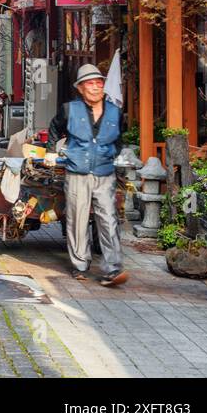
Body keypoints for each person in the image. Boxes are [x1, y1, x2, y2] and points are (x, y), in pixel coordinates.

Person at [48, 64, 129, 287]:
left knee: (109, 219)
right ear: (81, 89)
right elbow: (55, 128)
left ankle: (113, 268)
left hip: (105, 172)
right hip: (77, 172)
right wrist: (51, 152)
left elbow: (119, 139)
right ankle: (80, 265)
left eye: (99, 83)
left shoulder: (115, 112)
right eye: (90, 84)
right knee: (77, 218)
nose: (95, 87)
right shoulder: (69, 110)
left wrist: (113, 156)